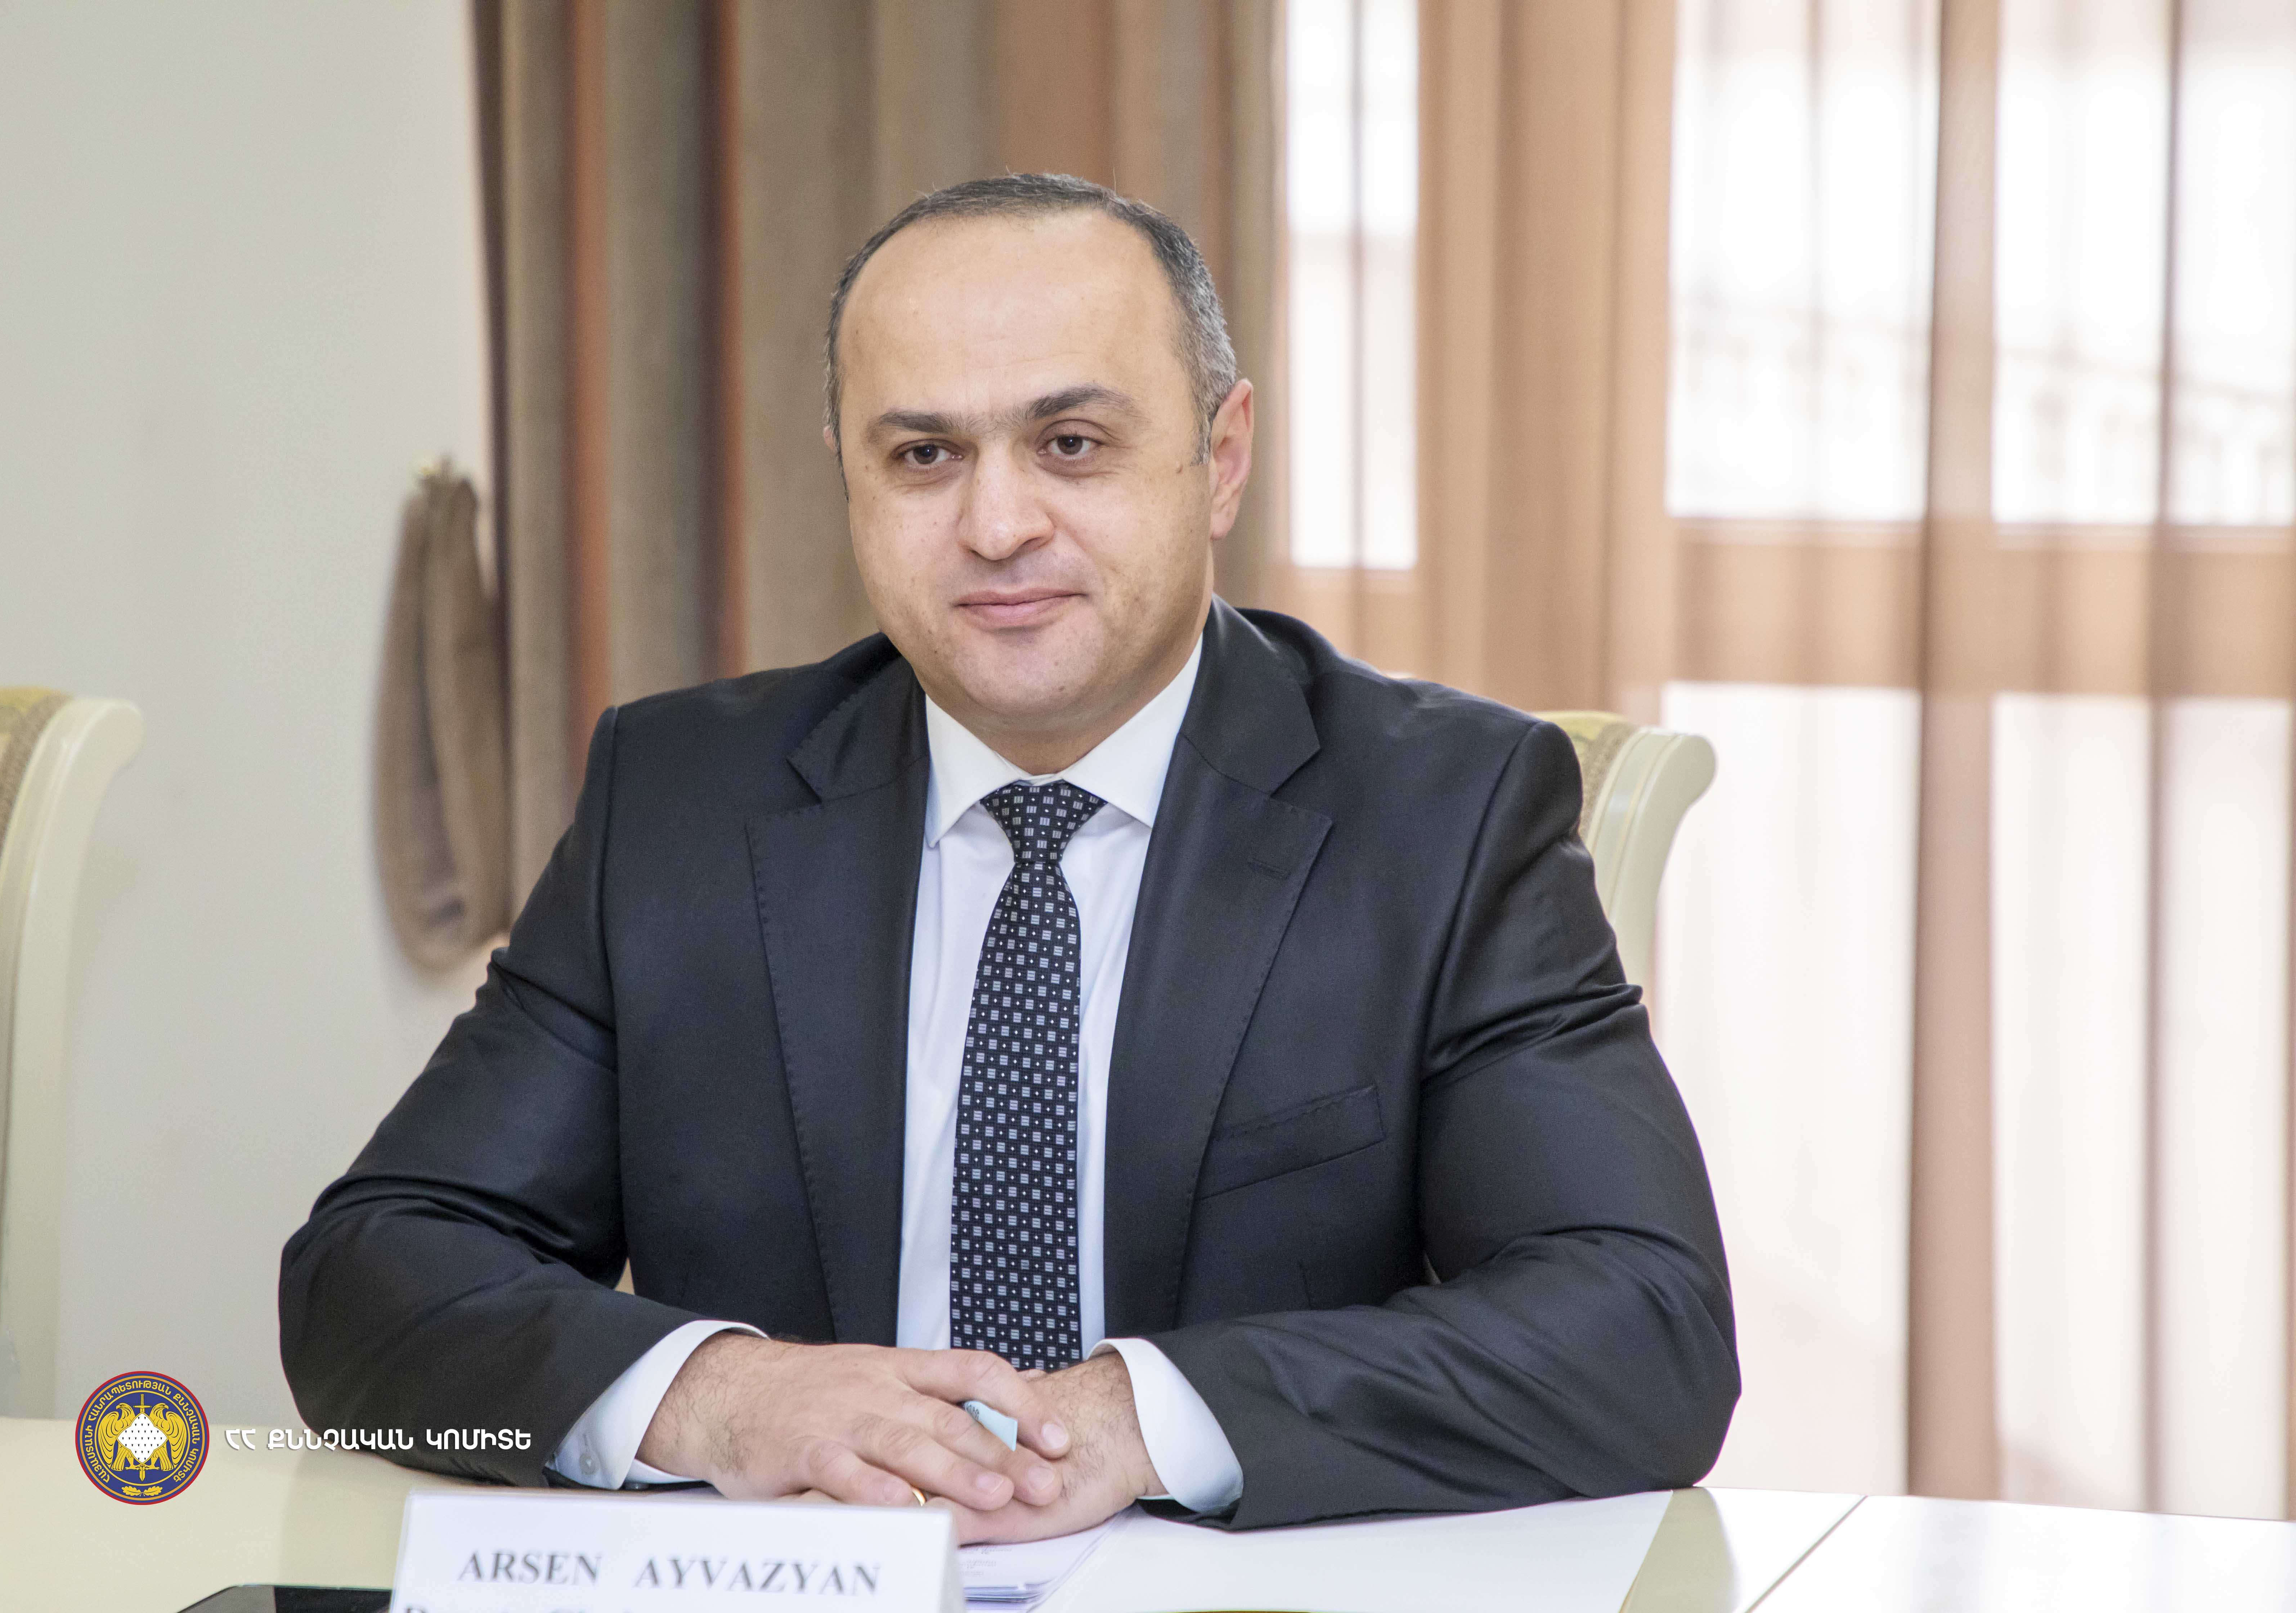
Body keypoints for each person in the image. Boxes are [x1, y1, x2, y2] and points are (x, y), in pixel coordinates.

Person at [279, 173, 1737, 1538]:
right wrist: (721, 1396)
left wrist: (1141, 1422)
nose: (996, 525)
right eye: (924, 456)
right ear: (851, 480)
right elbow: (373, 1275)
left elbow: (1644, 1328)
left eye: (1072, 444)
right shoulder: (679, 805)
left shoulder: (1444, 814)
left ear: (1221, 460)